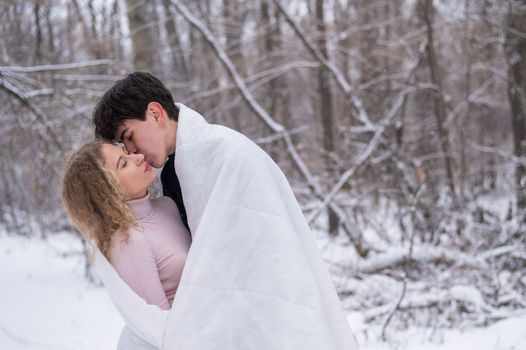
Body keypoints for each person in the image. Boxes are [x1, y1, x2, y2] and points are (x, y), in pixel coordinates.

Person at [92, 72, 358, 349]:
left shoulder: (225, 154)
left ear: (156, 113)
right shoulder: (173, 170)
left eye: (129, 136)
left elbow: (266, 257)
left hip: (267, 311)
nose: (133, 151)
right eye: (124, 146)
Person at [61, 140, 191, 349]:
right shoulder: (129, 241)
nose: (138, 157)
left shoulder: (167, 206)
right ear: (106, 190)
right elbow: (158, 329)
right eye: (124, 163)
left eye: (125, 153)